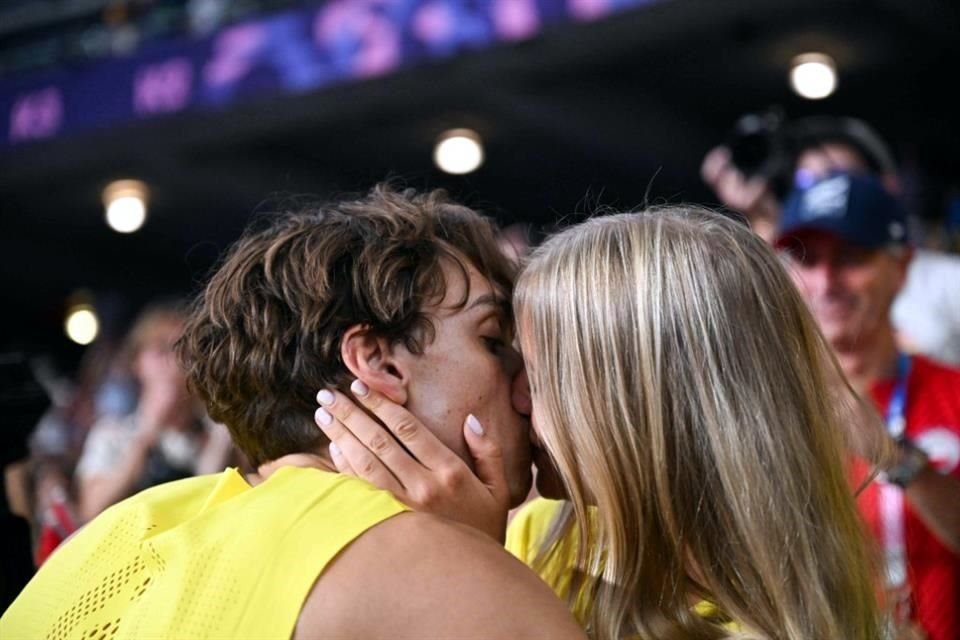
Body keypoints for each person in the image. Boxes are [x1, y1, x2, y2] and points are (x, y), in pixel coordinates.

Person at [0, 186, 584, 640]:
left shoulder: (107, 538)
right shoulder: (440, 574)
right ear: (378, 362)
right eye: (491, 339)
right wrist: (471, 564)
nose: (524, 383)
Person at [313, 205, 885, 639]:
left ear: (641, 400)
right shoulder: (543, 528)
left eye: (538, 373)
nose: (515, 397)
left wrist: (466, 568)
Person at [776, 171, 960, 640]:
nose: (825, 280)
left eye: (851, 257)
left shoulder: (952, 393)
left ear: (902, 267)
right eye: (807, 260)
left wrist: (892, 455)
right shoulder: (769, 407)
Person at [702, 115, 960, 366]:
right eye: (807, 181)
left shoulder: (948, 278)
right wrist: (756, 216)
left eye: (840, 175)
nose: (825, 193)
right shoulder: (792, 278)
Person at [74, 301, 235, 522]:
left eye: (181, 349)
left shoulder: (215, 429)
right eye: (160, 349)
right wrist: (147, 434)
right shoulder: (112, 435)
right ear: (137, 362)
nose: (173, 360)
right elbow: (92, 510)